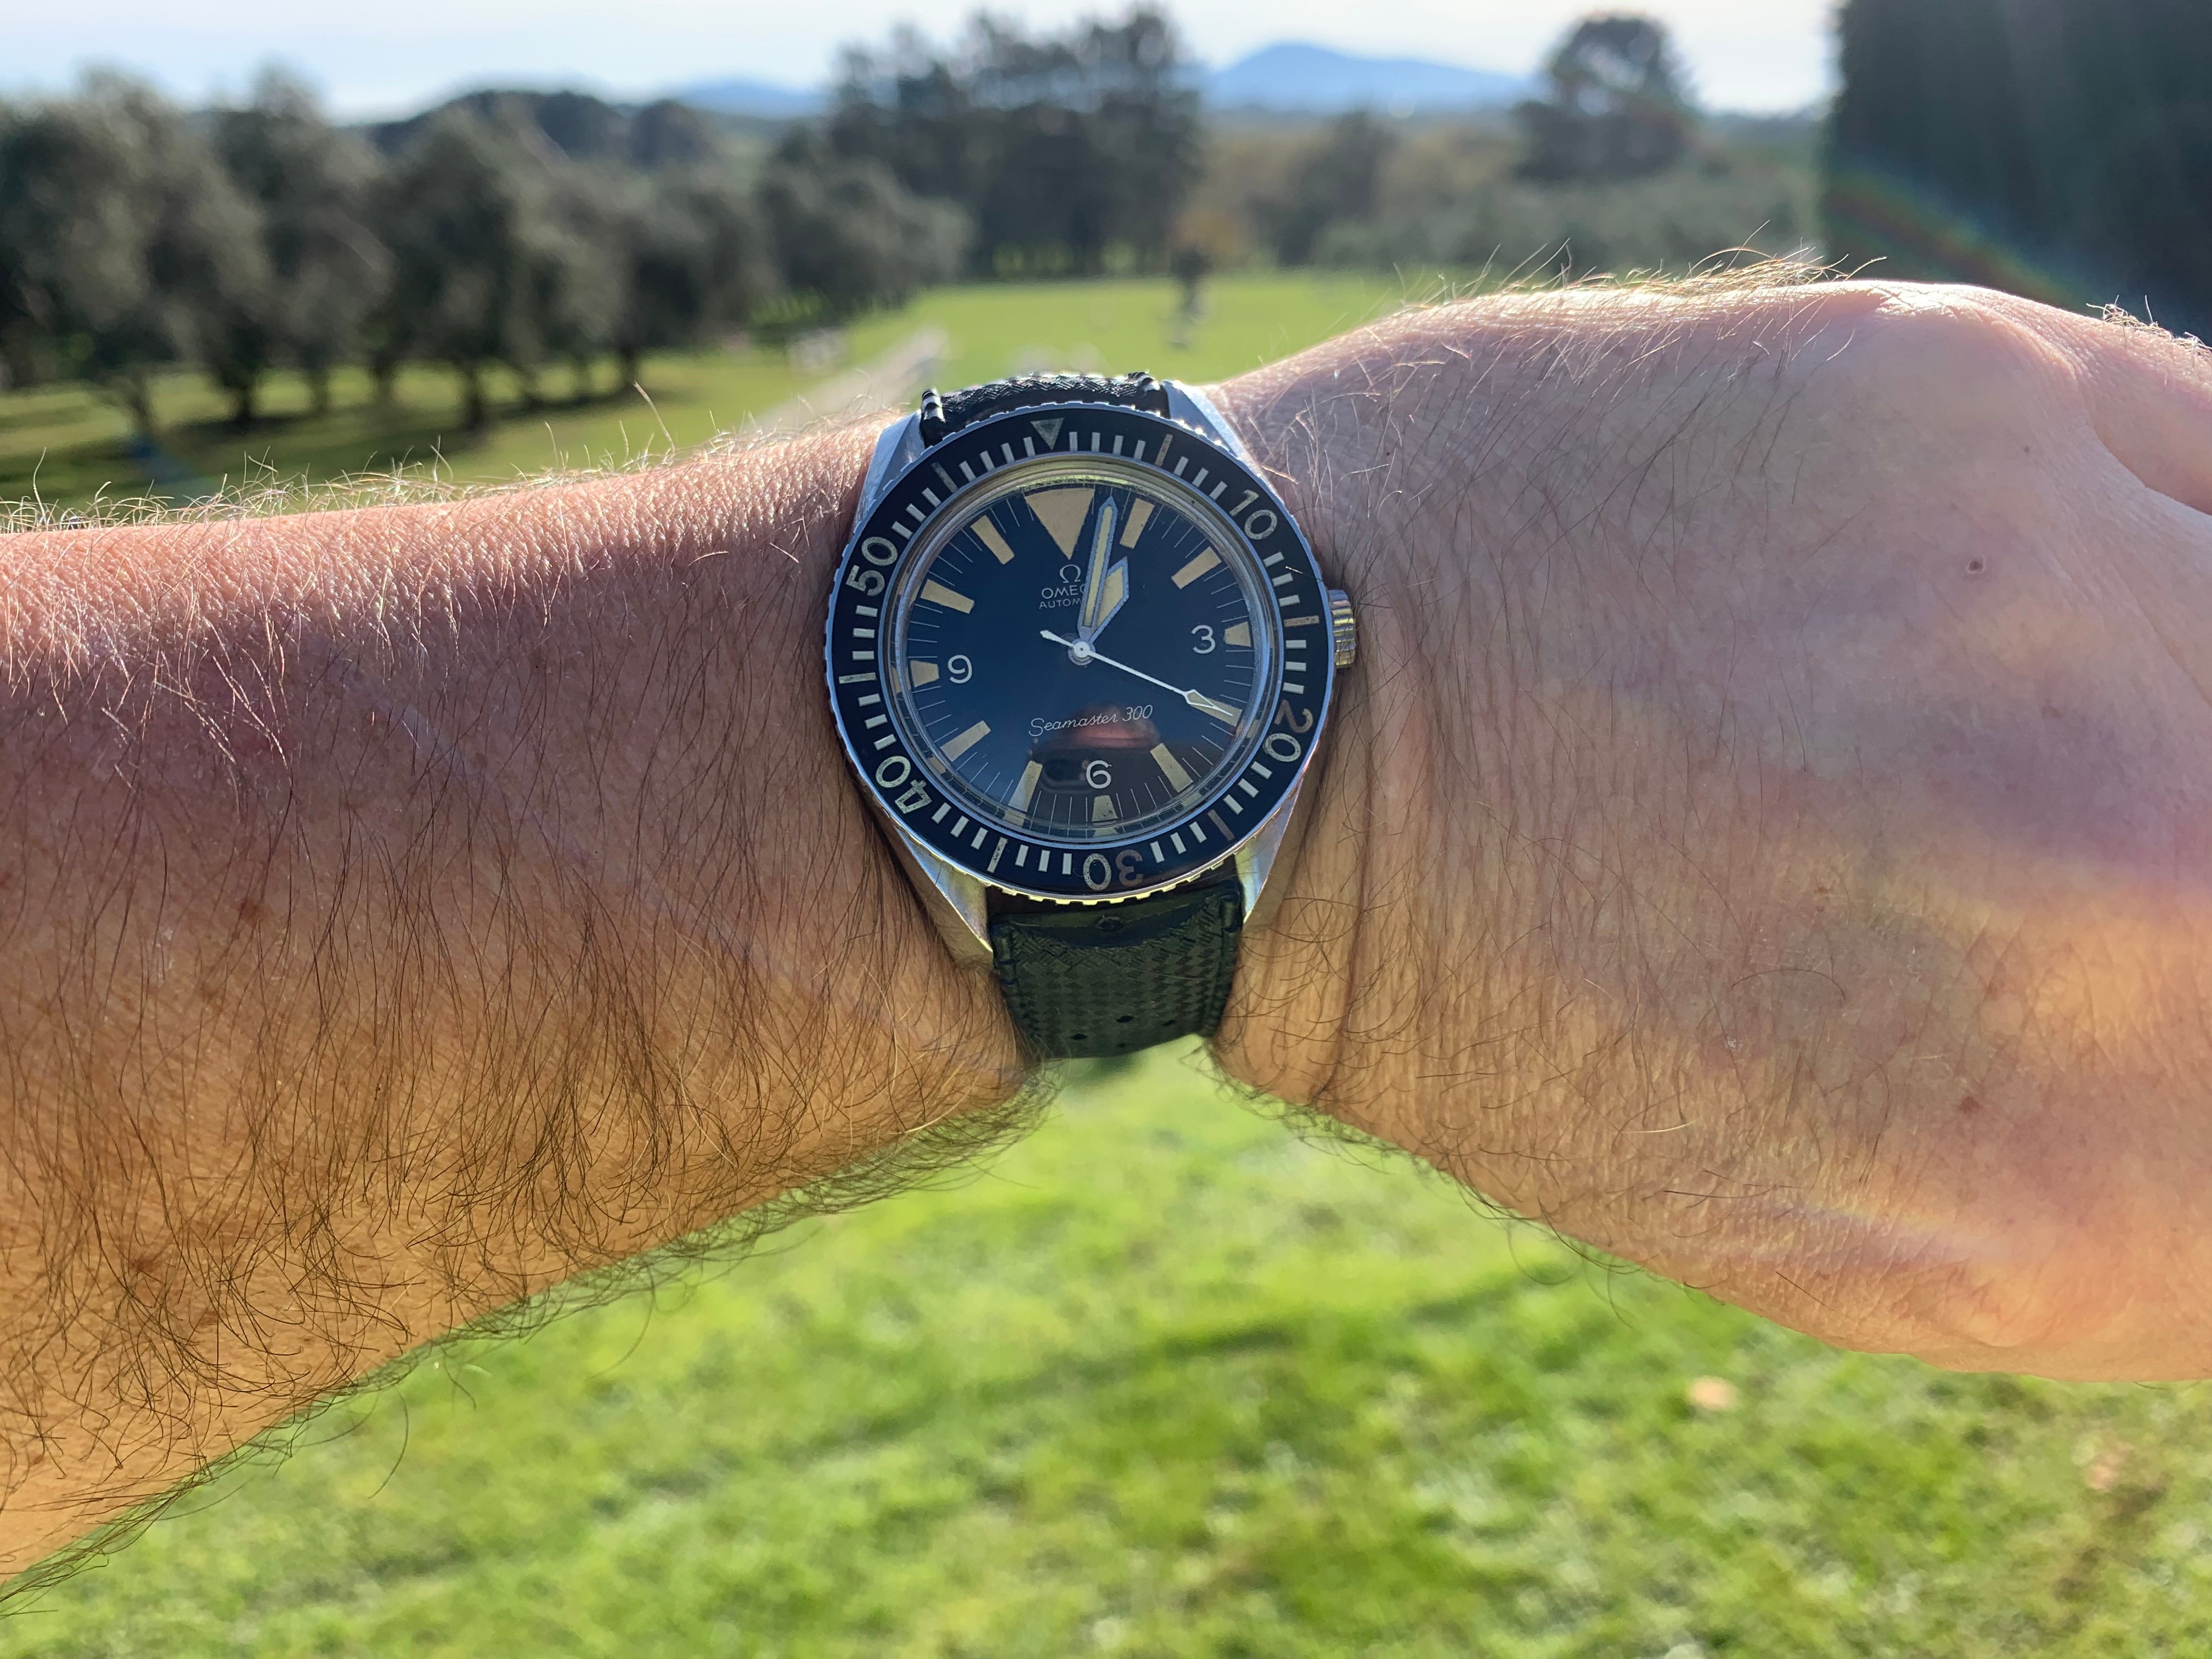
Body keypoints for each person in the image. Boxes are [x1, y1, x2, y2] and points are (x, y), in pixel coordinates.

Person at [5, 273, 2212, 1581]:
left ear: (1312, 631)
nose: (1080, 670)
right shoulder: (1078, 658)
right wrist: (1409, 806)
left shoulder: (1192, 646)